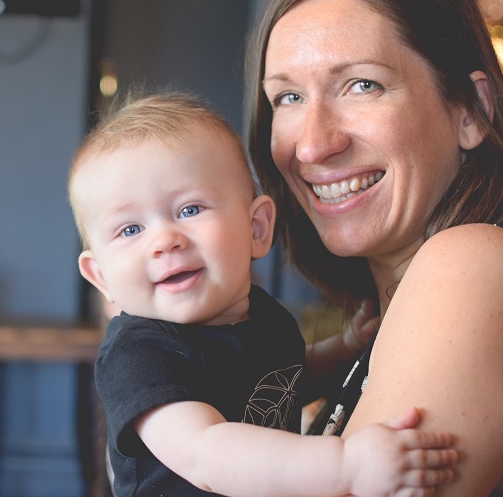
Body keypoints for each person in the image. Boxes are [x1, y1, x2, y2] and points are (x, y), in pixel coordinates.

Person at [247, 0, 503, 495]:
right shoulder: (388, 316)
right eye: (288, 97)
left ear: (470, 112)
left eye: (362, 85)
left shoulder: (475, 267)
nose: (311, 146)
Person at [68, 93, 459, 496]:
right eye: (130, 230)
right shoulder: (138, 355)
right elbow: (207, 453)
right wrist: (347, 465)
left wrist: (342, 351)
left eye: (190, 210)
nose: (164, 241)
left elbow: (279, 380)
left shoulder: (266, 318)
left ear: (256, 228)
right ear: (101, 276)